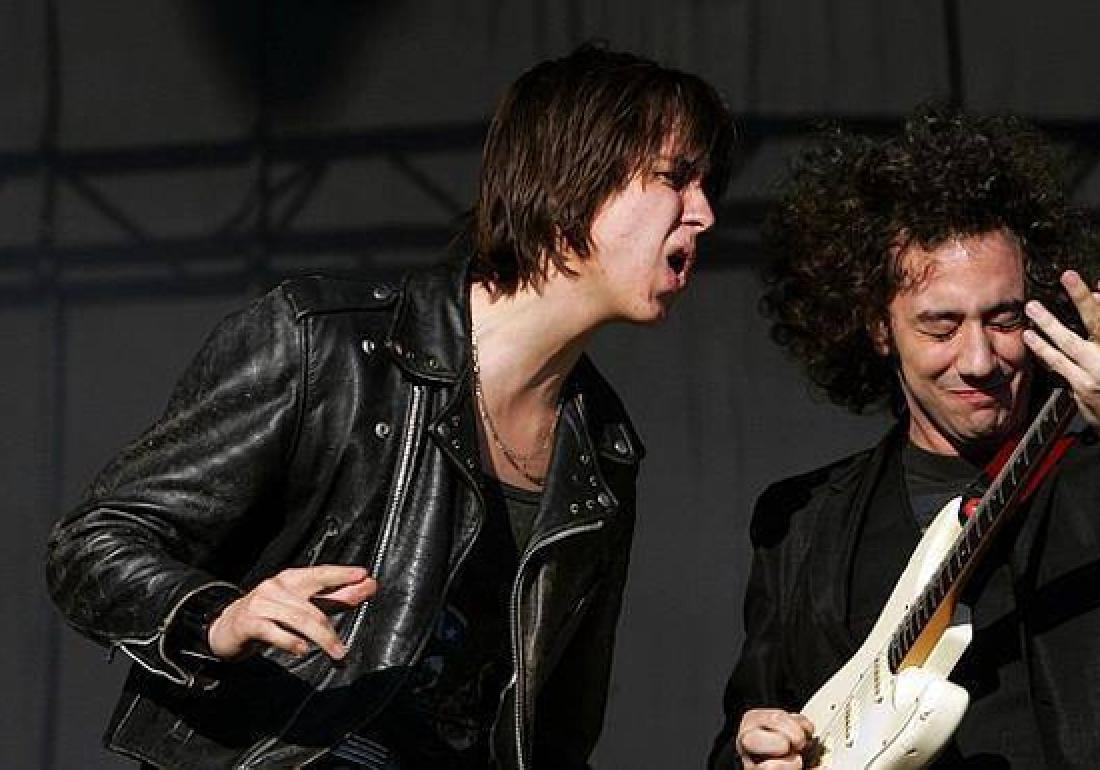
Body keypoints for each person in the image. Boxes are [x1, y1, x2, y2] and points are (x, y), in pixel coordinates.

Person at [47, 43, 733, 770]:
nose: (705, 214)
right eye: (675, 178)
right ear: (572, 177)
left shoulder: (602, 450)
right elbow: (93, 545)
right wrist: (219, 615)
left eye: (707, 186)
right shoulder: (328, 346)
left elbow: (556, 734)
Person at [708, 107, 1100, 769]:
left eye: (1004, 319)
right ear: (878, 327)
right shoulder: (804, 523)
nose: (980, 359)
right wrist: (754, 753)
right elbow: (741, 735)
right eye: (941, 326)